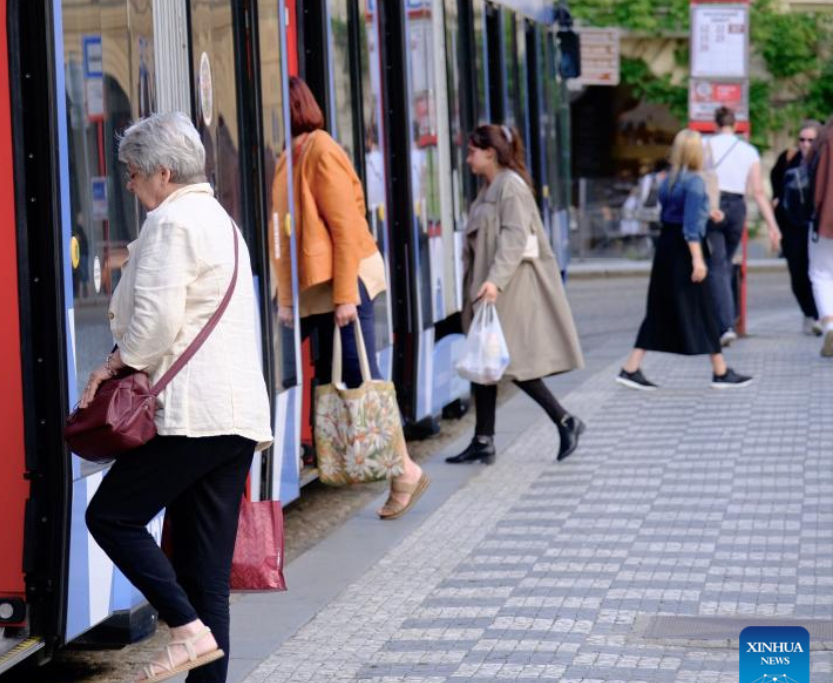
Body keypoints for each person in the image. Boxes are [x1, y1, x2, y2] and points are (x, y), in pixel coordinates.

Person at [81, 112, 272, 683]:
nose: (132, 189)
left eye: (134, 177)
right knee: (203, 562)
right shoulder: (222, 221)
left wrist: (114, 364)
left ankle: (185, 630)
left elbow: (155, 328)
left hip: (192, 414)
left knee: (110, 515)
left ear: (163, 172)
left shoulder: (171, 222)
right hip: (237, 415)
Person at [270, 76, 429, 520]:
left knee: (363, 376)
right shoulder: (292, 154)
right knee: (348, 374)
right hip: (317, 290)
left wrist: (345, 298)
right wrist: (286, 299)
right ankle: (400, 470)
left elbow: (345, 228)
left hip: (344, 283)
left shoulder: (321, 150)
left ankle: (405, 472)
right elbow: (283, 234)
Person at [446, 124, 585, 466]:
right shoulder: (491, 187)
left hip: (509, 288)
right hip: (492, 287)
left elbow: (513, 238)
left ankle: (565, 419)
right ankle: (483, 439)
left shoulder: (511, 188)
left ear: (489, 153)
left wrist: (495, 282)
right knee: (486, 362)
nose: (468, 159)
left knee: (511, 362)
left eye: (472, 152)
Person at [616, 129, 755, 390]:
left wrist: (706, 212)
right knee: (703, 307)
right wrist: (698, 260)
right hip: (684, 250)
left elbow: (674, 214)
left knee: (661, 309)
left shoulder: (669, 179)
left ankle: (631, 367)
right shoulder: (694, 182)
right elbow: (690, 227)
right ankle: (720, 372)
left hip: (666, 249)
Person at [703, 106, 782, 346]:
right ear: (735, 125)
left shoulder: (706, 144)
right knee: (725, 264)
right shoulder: (749, 151)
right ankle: (727, 320)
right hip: (737, 207)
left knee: (716, 265)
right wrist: (773, 226)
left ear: (715, 124)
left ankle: (724, 324)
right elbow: (758, 192)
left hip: (713, 205)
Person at [771, 120, 822, 336]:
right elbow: (775, 183)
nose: (805, 144)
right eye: (802, 139)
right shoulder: (789, 158)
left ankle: (820, 315)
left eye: (811, 140)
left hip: (815, 224)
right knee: (797, 272)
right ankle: (809, 312)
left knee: (817, 272)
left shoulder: (823, 161)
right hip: (791, 225)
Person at [810, 115, 833, 357]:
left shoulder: (825, 136)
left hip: (827, 216)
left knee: (821, 274)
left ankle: (829, 326)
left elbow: (810, 177)